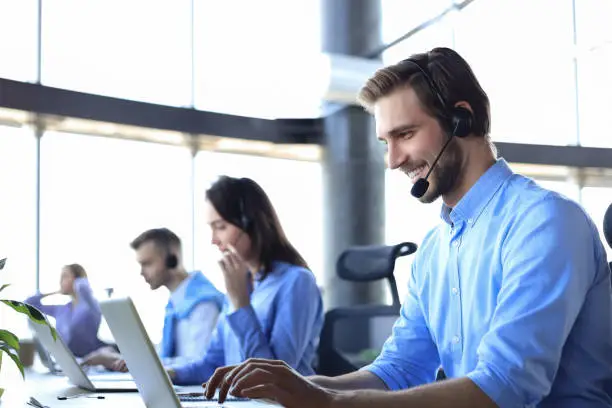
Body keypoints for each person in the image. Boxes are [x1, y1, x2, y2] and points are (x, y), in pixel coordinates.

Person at [203, 47, 612, 407]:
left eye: (405, 134)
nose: (393, 160)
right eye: (385, 142)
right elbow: (398, 371)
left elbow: (504, 387)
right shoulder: (435, 249)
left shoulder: (545, 223)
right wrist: (290, 389)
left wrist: (329, 403)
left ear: (461, 121)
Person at [159, 175, 324, 386]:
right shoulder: (240, 284)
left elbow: (275, 378)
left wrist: (241, 305)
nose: (213, 239)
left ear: (249, 223)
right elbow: (212, 364)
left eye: (220, 227)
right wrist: (168, 373)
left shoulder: (297, 282)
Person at [130, 228, 225, 367]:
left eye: (147, 264)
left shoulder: (204, 303)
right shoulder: (174, 304)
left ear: (171, 259)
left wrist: (144, 364)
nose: (141, 272)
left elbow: (198, 363)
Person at [25, 264, 112, 360]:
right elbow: (29, 304)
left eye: (65, 277)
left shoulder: (91, 305)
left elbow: (83, 287)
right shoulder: (60, 309)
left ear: (76, 279)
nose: (60, 281)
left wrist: (78, 281)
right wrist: (53, 292)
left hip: (92, 362)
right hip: (68, 361)